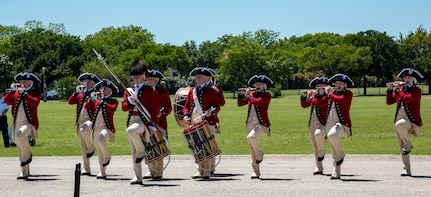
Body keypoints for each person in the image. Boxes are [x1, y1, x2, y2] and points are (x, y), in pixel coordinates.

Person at [122, 60, 160, 185]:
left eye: (138, 76)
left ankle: (141, 150)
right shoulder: (129, 91)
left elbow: (155, 110)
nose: (136, 79)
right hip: (131, 120)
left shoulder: (150, 90)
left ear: (144, 75)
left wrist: (153, 125)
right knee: (133, 150)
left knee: (131, 131)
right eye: (134, 77)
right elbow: (124, 108)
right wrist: (129, 101)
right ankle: (138, 176)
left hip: (144, 121)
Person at [183, 67, 221, 179]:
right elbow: (187, 106)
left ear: (205, 78)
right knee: (197, 146)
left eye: (200, 77)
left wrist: (211, 111)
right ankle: (199, 170)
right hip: (195, 121)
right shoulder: (192, 91)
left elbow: (217, 106)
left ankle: (207, 171)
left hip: (208, 121)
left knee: (207, 146)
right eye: (197, 77)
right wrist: (185, 115)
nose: (198, 79)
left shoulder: (211, 91)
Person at [386, 68, 423, 177]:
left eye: (409, 78)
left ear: (413, 79)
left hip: (411, 120)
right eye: (406, 77)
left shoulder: (416, 90)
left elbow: (408, 99)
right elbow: (389, 102)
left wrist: (397, 90)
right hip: (399, 119)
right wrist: (390, 90)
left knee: (400, 125)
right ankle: (407, 169)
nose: (407, 79)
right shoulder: (401, 89)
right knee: (401, 146)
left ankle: (408, 144)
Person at [4, 72, 41, 179]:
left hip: (29, 123)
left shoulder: (34, 92)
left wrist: (24, 94)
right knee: (19, 146)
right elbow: (6, 101)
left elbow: (35, 102)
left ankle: (28, 155)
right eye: (21, 81)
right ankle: (24, 172)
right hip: (17, 122)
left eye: (25, 81)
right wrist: (11, 92)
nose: (22, 83)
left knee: (20, 135)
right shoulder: (16, 93)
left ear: (30, 82)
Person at [237, 75, 273, 179]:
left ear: (264, 86)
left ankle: (260, 153)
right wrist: (242, 94)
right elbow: (240, 103)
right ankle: (256, 172)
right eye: (256, 84)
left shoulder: (267, 95)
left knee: (251, 137)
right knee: (252, 149)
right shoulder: (252, 94)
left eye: (260, 84)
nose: (258, 85)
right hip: (250, 123)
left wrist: (249, 95)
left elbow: (258, 102)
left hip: (261, 124)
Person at [68, 72, 101, 176]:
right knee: (83, 147)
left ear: (94, 84)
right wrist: (75, 93)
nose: (86, 83)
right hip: (80, 121)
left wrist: (95, 98)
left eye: (89, 82)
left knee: (84, 129)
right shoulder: (81, 93)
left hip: (91, 120)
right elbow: (70, 101)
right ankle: (86, 168)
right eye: (85, 81)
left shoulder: (96, 93)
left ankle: (91, 147)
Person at [84, 79, 119, 179]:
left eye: (105, 89)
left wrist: (101, 102)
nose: (103, 90)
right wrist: (91, 99)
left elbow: (112, 109)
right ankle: (102, 171)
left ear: (110, 91)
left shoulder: (113, 101)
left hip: (107, 128)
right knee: (99, 151)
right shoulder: (96, 100)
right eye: (101, 88)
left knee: (101, 139)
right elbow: (87, 106)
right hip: (96, 128)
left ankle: (107, 156)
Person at [324, 73, 354, 180]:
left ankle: (341, 154)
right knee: (332, 148)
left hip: (342, 123)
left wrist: (329, 94)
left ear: (345, 85)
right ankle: (336, 172)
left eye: (341, 83)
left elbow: (340, 99)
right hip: (329, 122)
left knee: (333, 135)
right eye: (337, 83)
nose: (338, 85)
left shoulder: (348, 93)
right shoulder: (331, 93)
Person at [144, 69, 172, 179]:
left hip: (160, 124)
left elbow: (168, 107)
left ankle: (158, 171)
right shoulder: (144, 91)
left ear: (157, 80)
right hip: (147, 123)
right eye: (148, 78)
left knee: (158, 147)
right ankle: (151, 170)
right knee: (148, 147)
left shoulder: (162, 91)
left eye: (151, 79)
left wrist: (162, 113)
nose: (149, 81)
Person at [300, 77, 330, 175]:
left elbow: (319, 103)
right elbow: (304, 105)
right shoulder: (314, 96)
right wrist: (304, 97)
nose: (320, 88)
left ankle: (322, 152)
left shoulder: (327, 96)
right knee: (314, 146)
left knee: (318, 134)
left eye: (322, 86)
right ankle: (319, 167)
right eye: (318, 86)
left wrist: (310, 97)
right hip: (312, 123)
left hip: (323, 123)